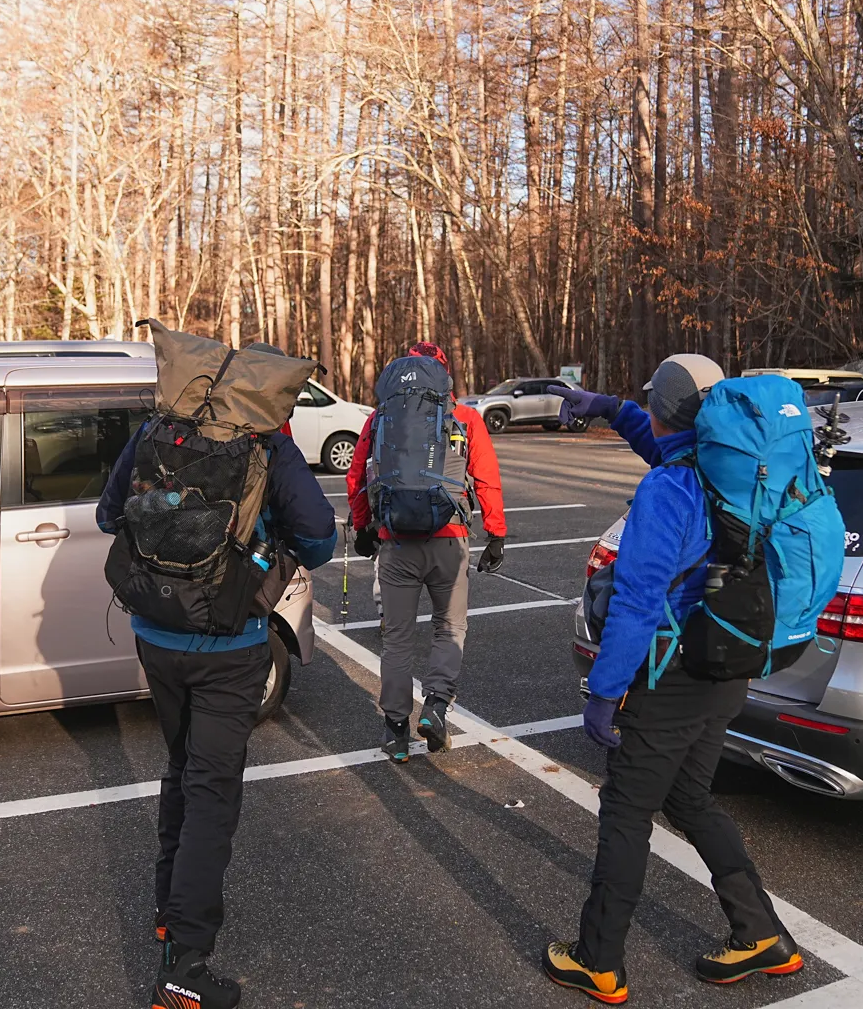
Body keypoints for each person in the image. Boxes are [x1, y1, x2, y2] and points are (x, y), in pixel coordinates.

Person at [542, 355, 803, 1003]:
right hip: (727, 670)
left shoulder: (669, 488)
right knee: (689, 799)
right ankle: (761, 934)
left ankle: (598, 959)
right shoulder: (731, 469)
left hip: (673, 675)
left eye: (648, 403)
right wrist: (608, 408)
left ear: (667, 412)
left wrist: (604, 692)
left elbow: (635, 601)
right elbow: (661, 440)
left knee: (626, 812)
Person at [97, 342, 337, 1009]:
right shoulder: (268, 446)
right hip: (231, 645)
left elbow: (106, 514)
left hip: (154, 635)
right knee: (212, 792)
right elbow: (319, 536)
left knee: (181, 769)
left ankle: (169, 914)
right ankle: (186, 969)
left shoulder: (155, 431)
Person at [345, 341, 507, 762]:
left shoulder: (380, 418)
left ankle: (395, 730)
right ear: (445, 376)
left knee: (397, 639)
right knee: (448, 629)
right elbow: (486, 478)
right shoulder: (465, 417)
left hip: (396, 542)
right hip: (449, 540)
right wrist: (496, 535)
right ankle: (436, 706)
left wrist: (363, 527)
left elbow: (358, 476)